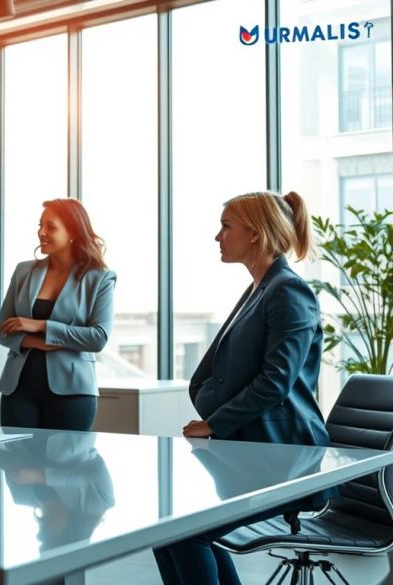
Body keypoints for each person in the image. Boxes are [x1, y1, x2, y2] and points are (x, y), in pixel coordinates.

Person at [153, 191, 332, 585]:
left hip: (285, 457)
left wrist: (213, 422)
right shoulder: (261, 287)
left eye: (226, 227)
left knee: (187, 535)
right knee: (168, 531)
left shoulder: (288, 290)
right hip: (250, 448)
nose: (218, 236)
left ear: (254, 233)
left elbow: (276, 382)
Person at [0, 199, 115, 431]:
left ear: (72, 232)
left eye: (51, 226)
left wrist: (41, 326)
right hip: (18, 389)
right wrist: (34, 342)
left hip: (72, 392)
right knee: (18, 463)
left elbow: (98, 338)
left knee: (63, 466)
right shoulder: (24, 271)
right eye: (40, 225)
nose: (41, 232)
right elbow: (1, 330)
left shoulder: (99, 278)